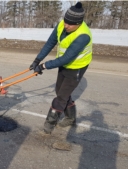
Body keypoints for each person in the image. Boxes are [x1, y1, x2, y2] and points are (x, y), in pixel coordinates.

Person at [29, 2, 92, 134]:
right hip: (63, 64)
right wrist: (37, 60)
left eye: (70, 24)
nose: (66, 25)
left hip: (77, 67)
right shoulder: (62, 24)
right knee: (60, 91)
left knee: (61, 98)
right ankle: (70, 117)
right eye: (65, 21)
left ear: (79, 23)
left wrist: (44, 66)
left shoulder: (83, 36)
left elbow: (67, 58)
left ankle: (48, 126)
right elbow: (50, 42)